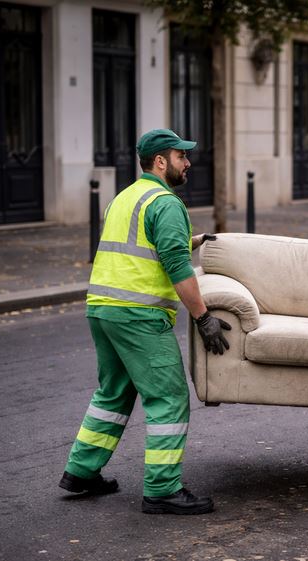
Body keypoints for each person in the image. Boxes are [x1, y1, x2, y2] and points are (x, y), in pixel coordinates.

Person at [59, 129, 231, 515]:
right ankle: (162, 489)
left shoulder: (124, 198)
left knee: (113, 393)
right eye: (181, 157)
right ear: (160, 161)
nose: (188, 163)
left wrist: (193, 239)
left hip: (103, 309)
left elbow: (142, 245)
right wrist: (203, 317)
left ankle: (81, 471)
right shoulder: (166, 203)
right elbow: (176, 266)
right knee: (168, 397)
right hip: (140, 315)